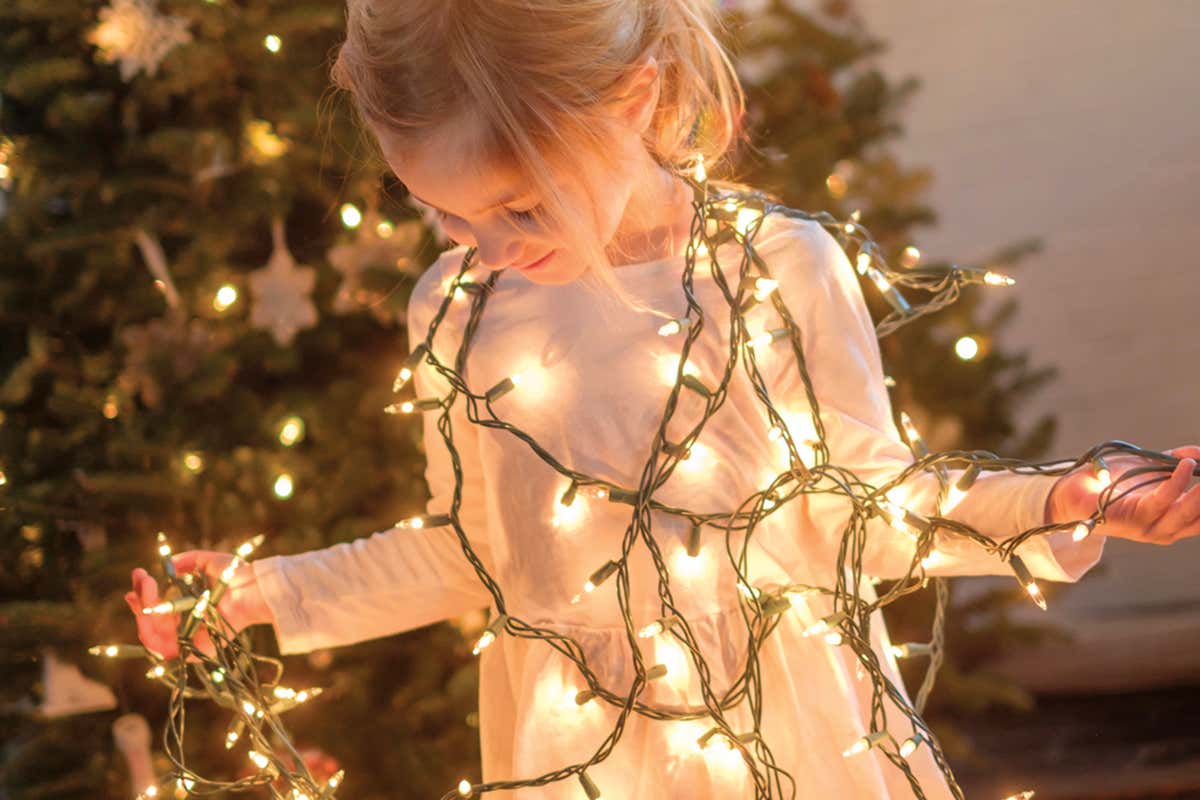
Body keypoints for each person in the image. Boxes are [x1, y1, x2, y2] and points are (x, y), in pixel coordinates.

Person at [127, 1, 1200, 797]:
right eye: (448, 216)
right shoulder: (454, 308)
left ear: (632, 99)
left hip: (795, 736)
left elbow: (865, 507)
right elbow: (483, 554)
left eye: (517, 202)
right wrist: (263, 592)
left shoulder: (775, 267)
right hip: (575, 755)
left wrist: (1068, 502)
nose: (491, 246)